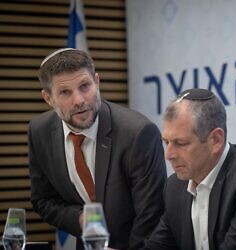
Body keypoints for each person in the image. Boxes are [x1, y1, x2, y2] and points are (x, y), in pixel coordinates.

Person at [28, 48, 167, 250]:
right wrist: (80, 219)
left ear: (97, 81)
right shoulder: (39, 131)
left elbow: (151, 215)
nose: (79, 100)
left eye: (85, 86)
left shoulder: (138, 133)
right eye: (65, 92)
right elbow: (43, 200)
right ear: (48, 98)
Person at [143, 88, 236, 250]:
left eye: (180, 143)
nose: (169, 155)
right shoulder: (175, 186)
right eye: (166, 142)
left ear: (216, 140)